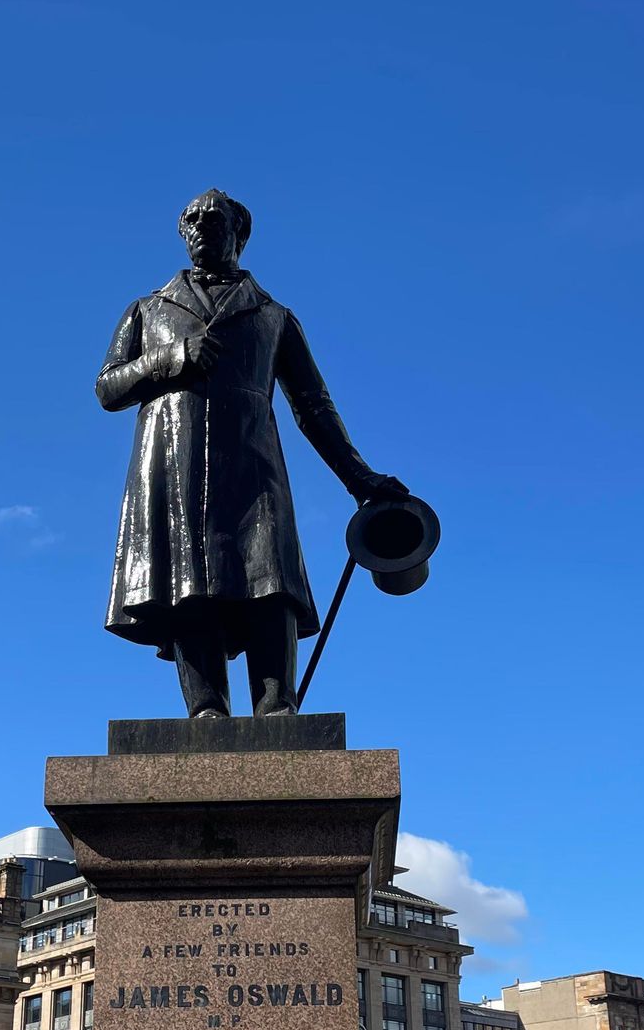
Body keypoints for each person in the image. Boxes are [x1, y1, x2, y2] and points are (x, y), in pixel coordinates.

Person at [98, 189, 411, 718]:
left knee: (270, 576)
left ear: (240, 234)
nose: (201, 226)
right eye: (191, 219)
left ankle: (276, 705)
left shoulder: (273, 316)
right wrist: (173, 358)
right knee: (187, 582)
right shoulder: (147, 310)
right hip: (172, 463)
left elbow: (313, 407)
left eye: (213, 218)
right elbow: (108, 388)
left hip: (251, 463)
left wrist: (361, 479)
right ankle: (206, 709)